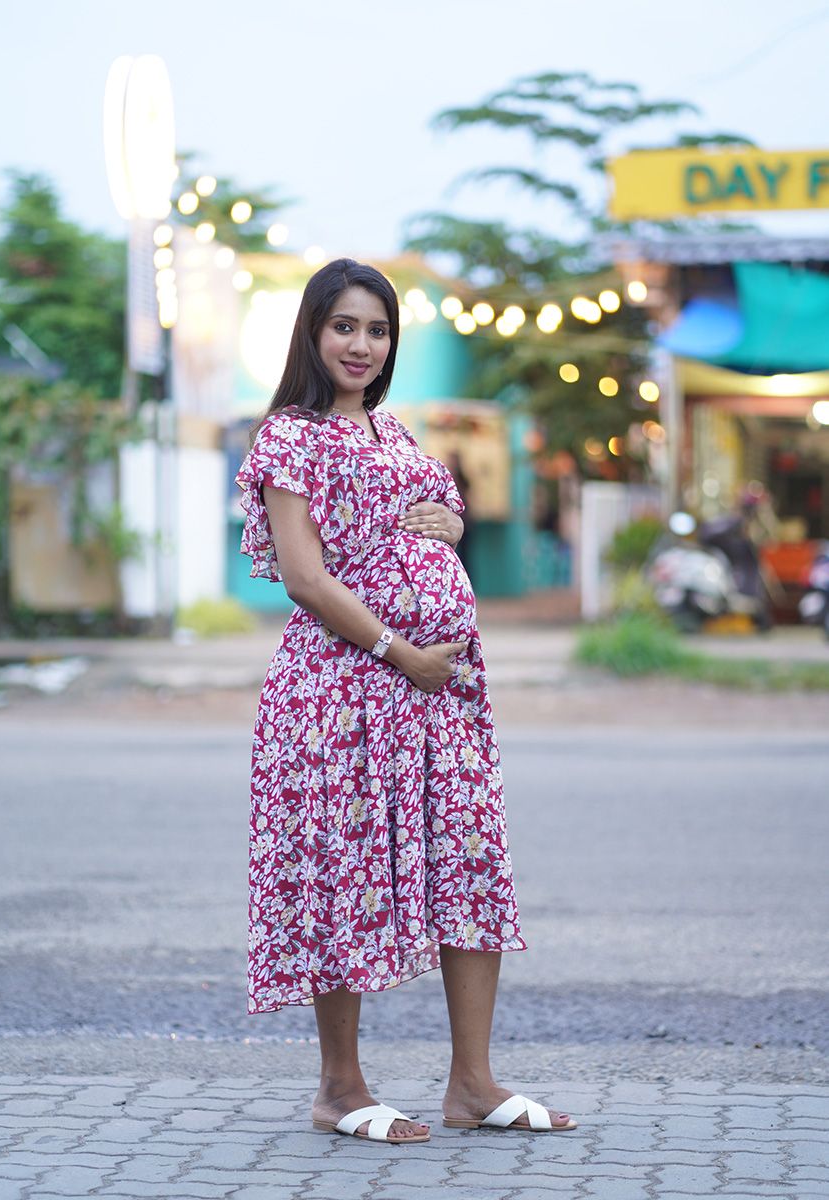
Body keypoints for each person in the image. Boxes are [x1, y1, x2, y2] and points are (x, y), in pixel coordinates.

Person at [235, 258, 576, 1144]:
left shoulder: (395, 436)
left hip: (444, 696)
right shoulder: (288, 437)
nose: (361, 344)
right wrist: (399, 651)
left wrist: (451, 526)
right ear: (313, 332)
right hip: (342, 692)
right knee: (345, 876)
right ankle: (340, 1088)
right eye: (345, 326)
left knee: (469, 862)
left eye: (378, 330)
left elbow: (437, 511)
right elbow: (306, 578)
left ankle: (472, 1083)